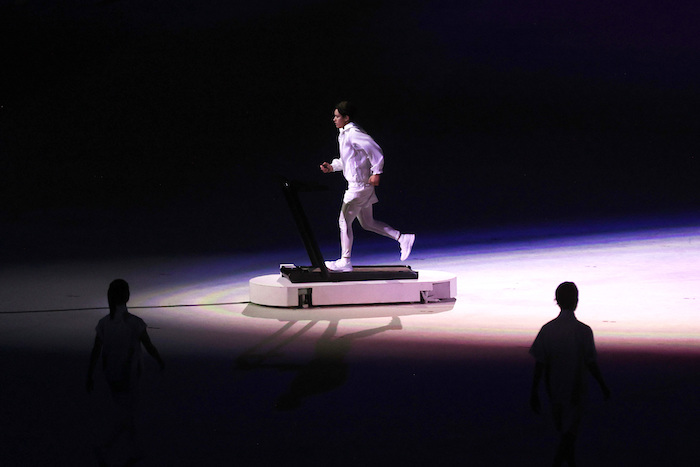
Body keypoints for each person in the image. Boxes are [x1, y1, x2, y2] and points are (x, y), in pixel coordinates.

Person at [319, 101, 415, 272]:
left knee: (343, 221)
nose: (334, 119)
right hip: (361, 186)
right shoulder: (344, 134)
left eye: (337, 116)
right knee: (368, 222)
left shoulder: (354, 133)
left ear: (346, 118)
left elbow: (375, 150)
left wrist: (377, 172)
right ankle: (402, 238)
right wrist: (333, 167)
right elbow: (350, 161)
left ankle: (345, 261)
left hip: (358, 188)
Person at [529, 281, 611, 467]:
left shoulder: (547, 329)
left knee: (566, 433)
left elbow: (540, 363)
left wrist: (534, 392)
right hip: (576, 391)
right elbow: (591, 363)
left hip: (554, 390)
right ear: (576, 301)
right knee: (569, 435)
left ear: (557, 301)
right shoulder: (583, 331)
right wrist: (603, 386)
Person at [86, 279, 165, 465]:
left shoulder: (104, 323)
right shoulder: (135, 323)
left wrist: (89, 374)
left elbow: (96, 350)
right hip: (129, 375)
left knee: (126, 412)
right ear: (127, 296)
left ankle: (133, 451)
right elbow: (148, 345)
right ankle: (106, 447)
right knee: (128, 414)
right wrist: (160, 360)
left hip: (111, 374)